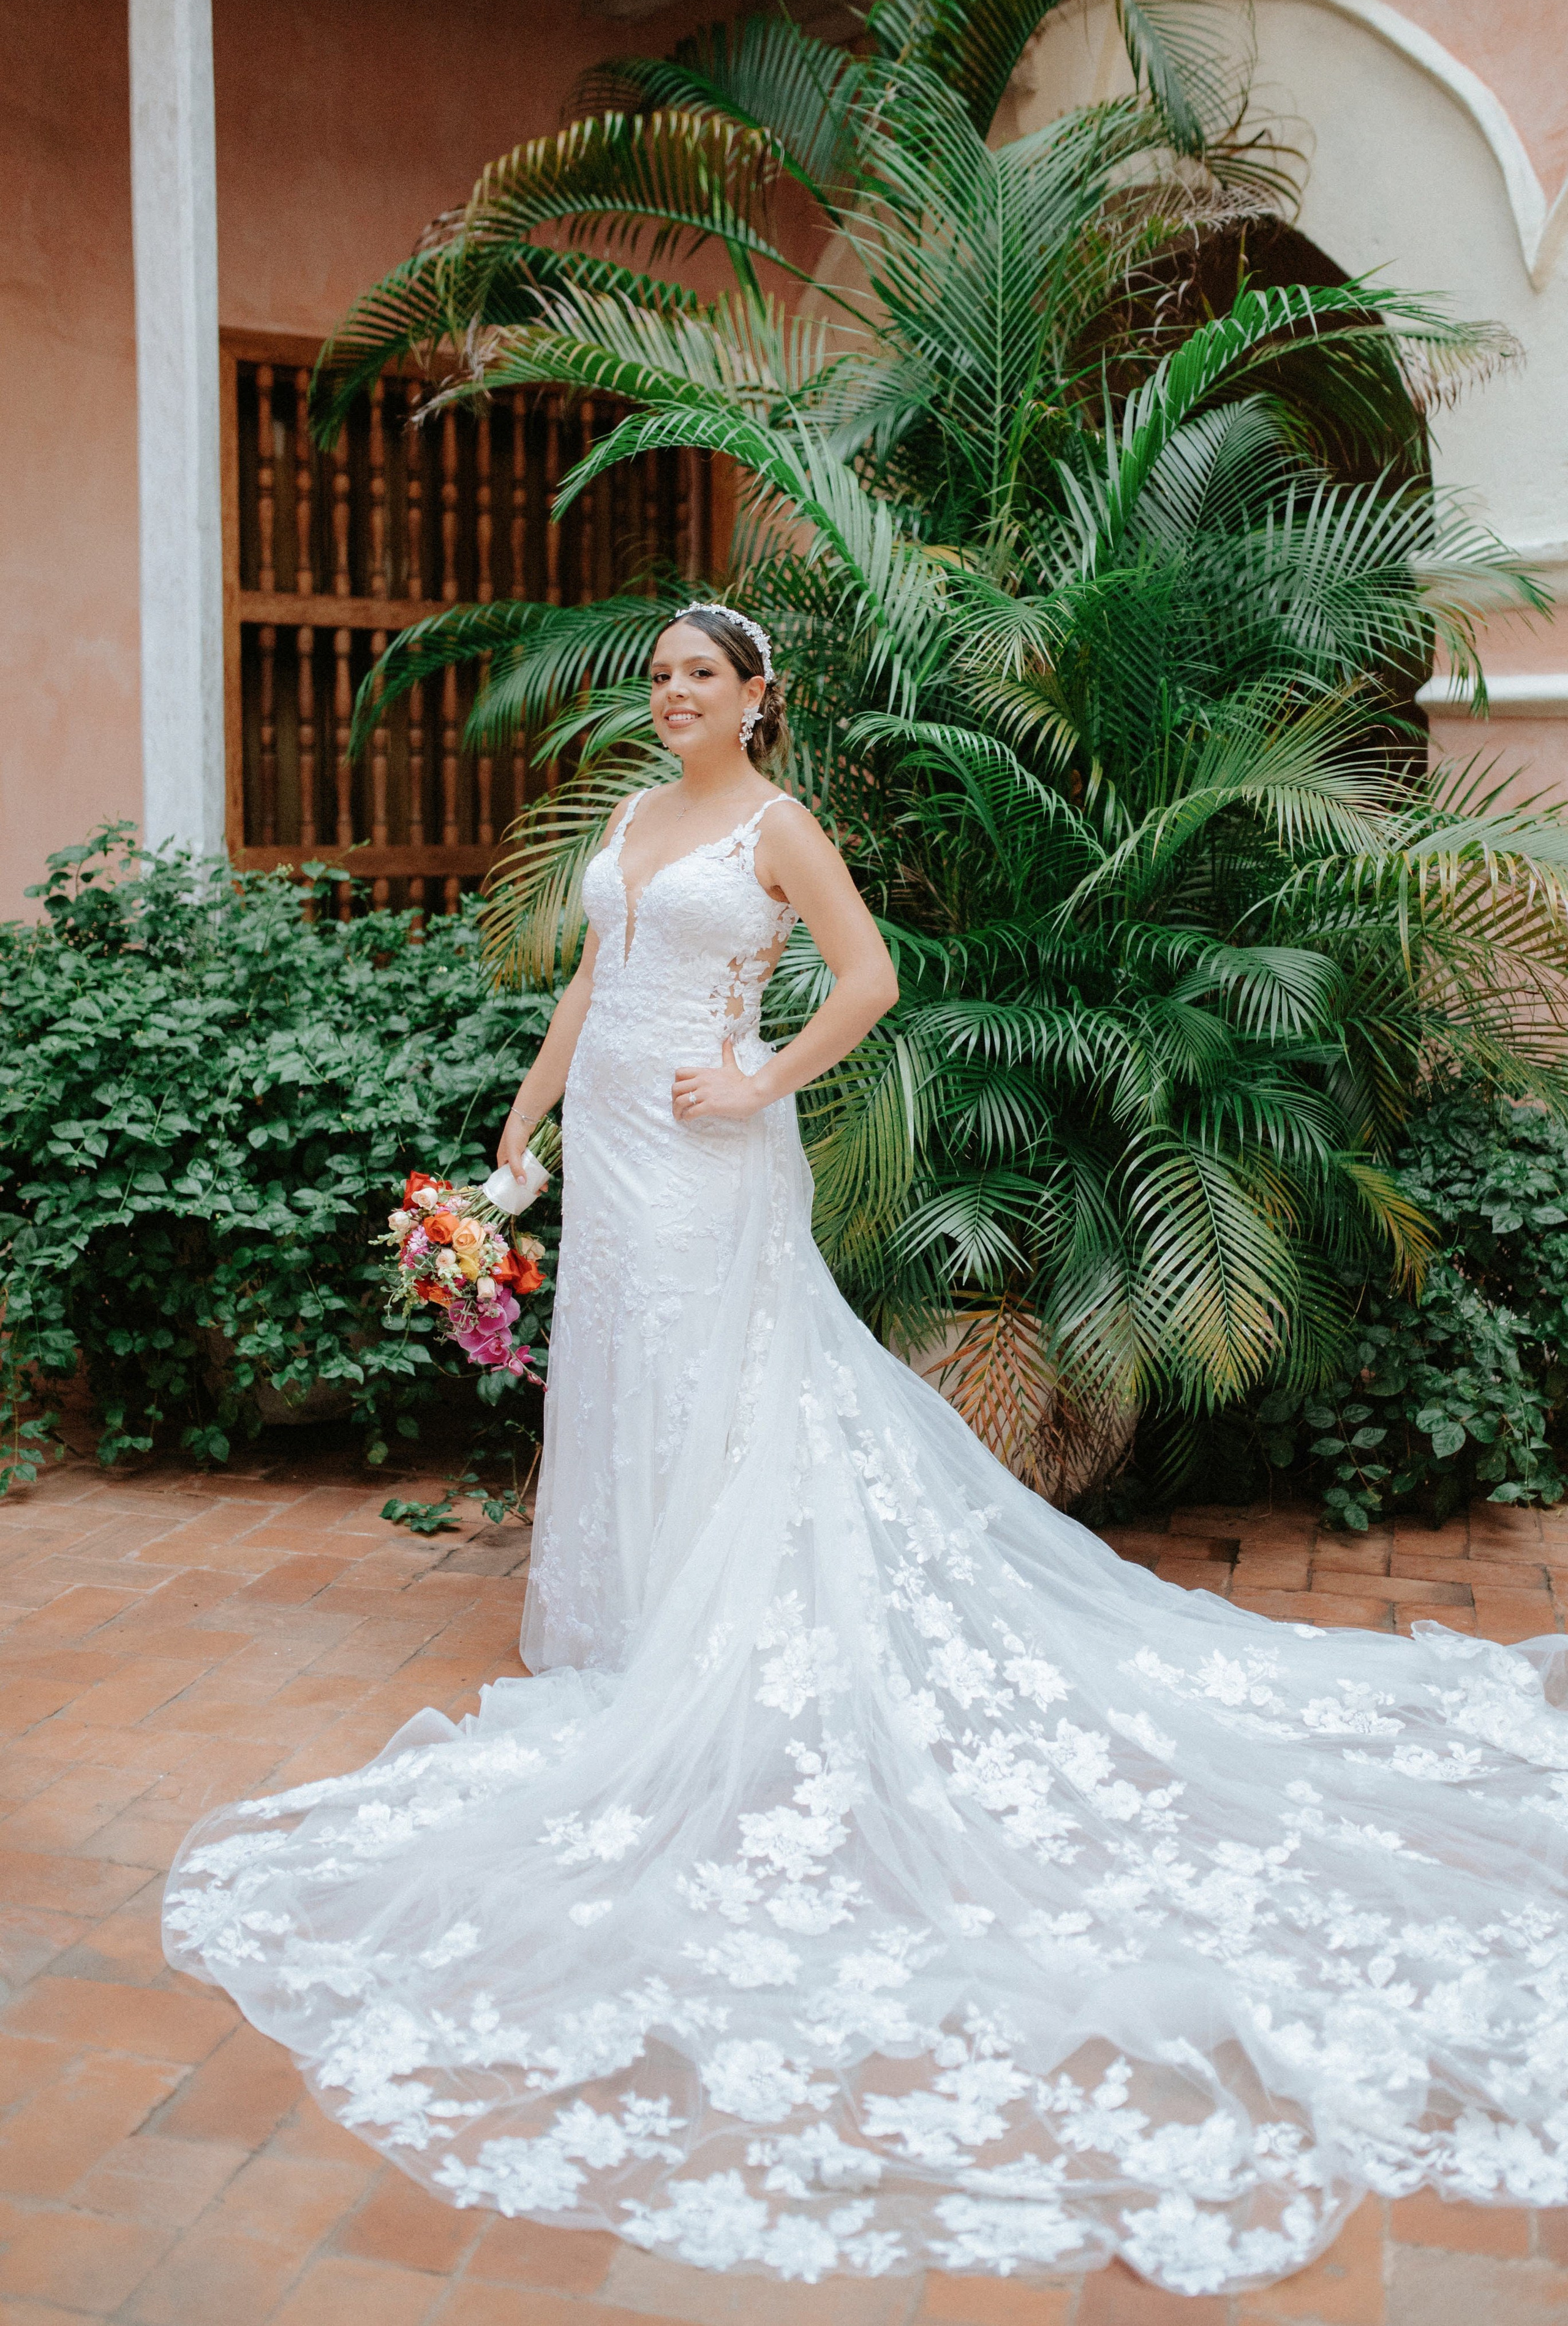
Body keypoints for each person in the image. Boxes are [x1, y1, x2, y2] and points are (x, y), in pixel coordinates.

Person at [165, 606, 1568, 2298]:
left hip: (710, 1153)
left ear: (760, 697)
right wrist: (514, 1141)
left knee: (718, 1381)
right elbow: (595, 983)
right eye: (664, 675)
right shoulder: (629, 818)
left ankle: (721, 1637)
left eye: (705, 676)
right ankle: (638, 1628)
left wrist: (761, 1086)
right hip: (608, 1149)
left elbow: (877, 975)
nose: (676, 695)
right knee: (622, 1379)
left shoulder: (776, 825)